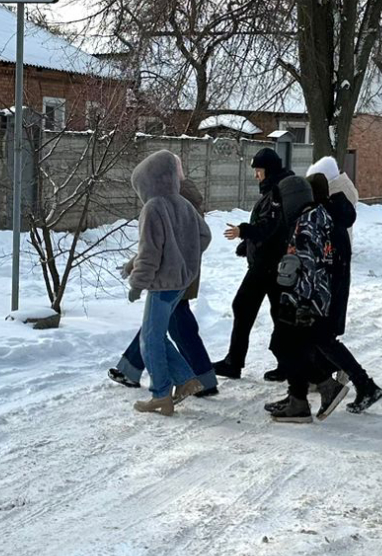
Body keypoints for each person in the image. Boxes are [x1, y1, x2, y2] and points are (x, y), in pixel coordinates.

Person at [264, 170, 382, 418]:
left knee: (296, 344)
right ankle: (307, 393)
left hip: (313, 298)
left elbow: (311, 264)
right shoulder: (323, 217)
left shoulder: (312, 221)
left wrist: (303, 302)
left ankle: (331, 388)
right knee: (309, 345)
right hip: (321, 297)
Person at [109, 166, 218, 397]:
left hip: (168, 278)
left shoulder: (165, 202)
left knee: (165, 331)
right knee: (159, 330)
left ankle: (186, 384)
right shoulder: (181, 198)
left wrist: (138, 280)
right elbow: (189, 239)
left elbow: (155, 248)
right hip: (181, 276)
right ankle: (138, 370)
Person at [212, 148, 293, 380]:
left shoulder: (277, 193)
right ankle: (286, 364)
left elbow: (270, 227)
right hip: (270, 263)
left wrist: (243, 231)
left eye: (258, 170)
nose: (256, 175)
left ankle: (234, 362)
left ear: (269, 170)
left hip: (267, 265)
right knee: (279, 313)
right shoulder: (274, 190)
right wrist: (247, 244)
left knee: (243, 306)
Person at [268, 176, 344, 424]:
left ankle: (321, 389)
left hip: (303, 297)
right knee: (295, 348)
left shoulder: (306, 223)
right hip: (316, 296)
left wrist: (300, 303)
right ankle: (297, 397)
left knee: (283, 345)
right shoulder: (319, 215)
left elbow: (306, 265)